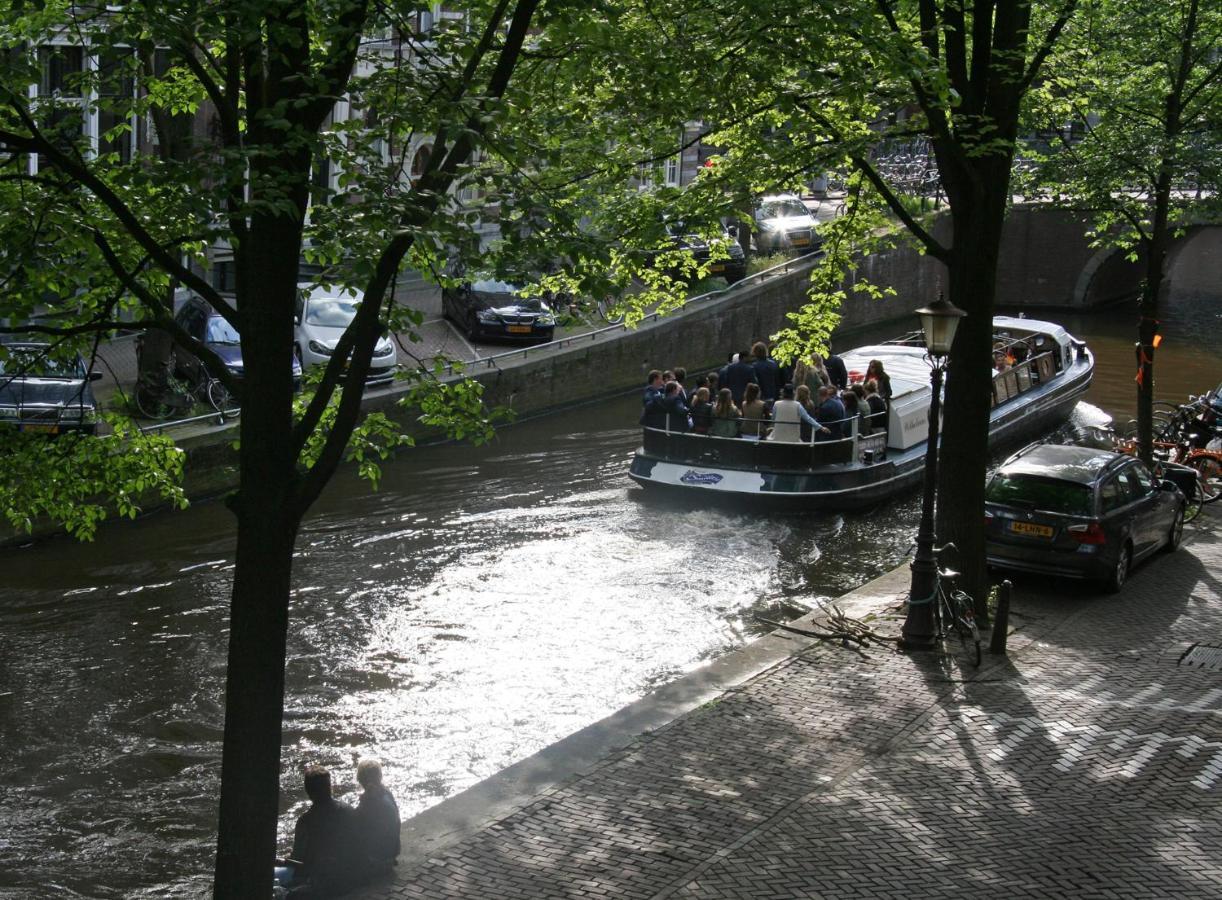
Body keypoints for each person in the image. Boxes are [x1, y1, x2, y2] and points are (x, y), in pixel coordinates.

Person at [275, 765, 361, 896]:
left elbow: (300, 860)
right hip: (351, 875)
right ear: (330, 787)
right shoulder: (348, 810)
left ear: (308, 792)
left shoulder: (306, 821)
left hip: (323, 882)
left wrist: (285, 860)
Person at [355, 758, 400, 875]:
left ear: (359, 780)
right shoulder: (387, 793)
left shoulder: (368, 801)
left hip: (376, 856)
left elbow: (358, 825)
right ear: (380, 777)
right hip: (392, 851)